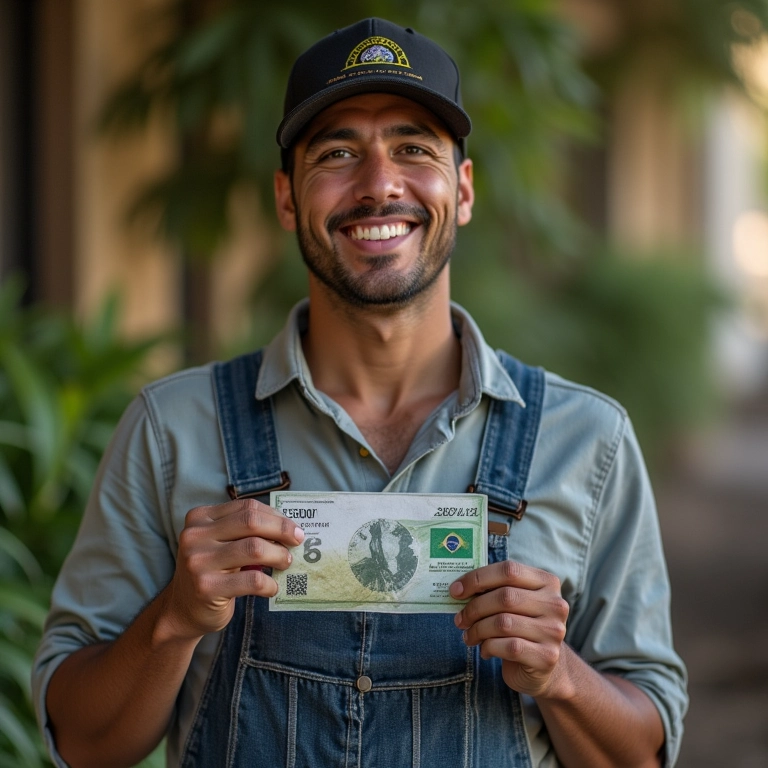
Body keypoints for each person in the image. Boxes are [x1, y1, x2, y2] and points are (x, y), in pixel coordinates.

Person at [33, 17, 687, 768]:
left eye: (414, 149)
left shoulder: (587, 439)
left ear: (462, 189)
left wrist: (559, 675)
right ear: (287, 199)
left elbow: (645, 753)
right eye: (337, 154)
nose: (379, 184)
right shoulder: (171, 428)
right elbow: (82, 743)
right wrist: (175, 618)